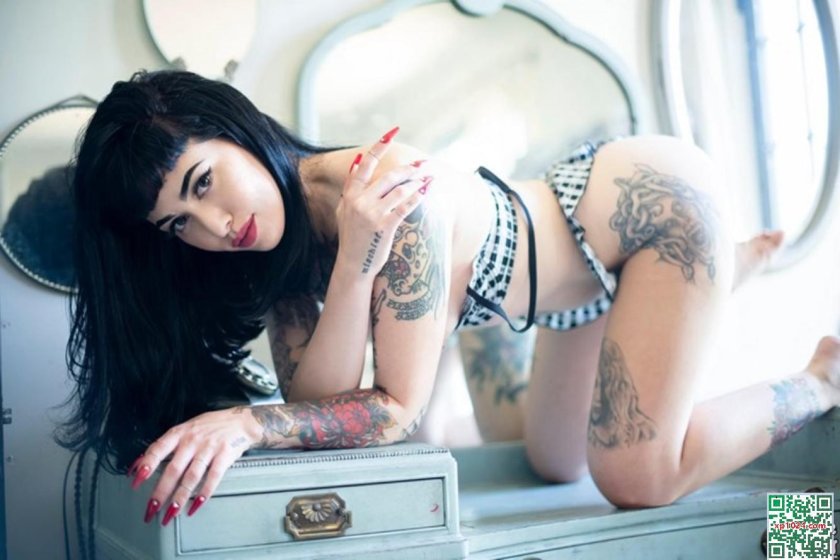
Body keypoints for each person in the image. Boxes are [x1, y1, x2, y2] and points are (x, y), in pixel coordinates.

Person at [58, 70, 840, 528]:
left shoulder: (392, 187)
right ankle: (713, 282)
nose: (215, 226)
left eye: (202, 184)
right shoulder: (281, 247)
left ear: (232, 127)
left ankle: (821, 378)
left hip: (653, 211)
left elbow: (392, 412)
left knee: (635, 480)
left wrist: (246, 423)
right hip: (575, 286)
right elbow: (320, 408)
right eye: (179, 224)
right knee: (553, 463)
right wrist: (355, 264)